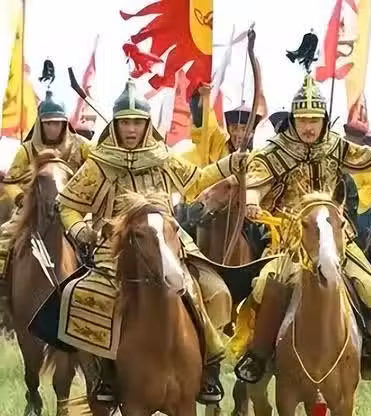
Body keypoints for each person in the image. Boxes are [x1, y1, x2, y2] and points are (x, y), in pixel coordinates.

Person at [56, 78, 247, 404]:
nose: (131, 129)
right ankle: (104, 371)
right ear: (116, 125)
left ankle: (208, 365)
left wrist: (230, 164)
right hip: (115, 245)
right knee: (87, 294)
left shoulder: (162, 156)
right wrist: (80, 231)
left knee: (214, 291)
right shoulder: (99, 163)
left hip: (168, 239)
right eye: (125, 122)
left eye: (137, 122)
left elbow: (197, 180)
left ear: (147, 125)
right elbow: (68, 205)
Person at [232, 71, 371, 387]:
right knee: (265, 286)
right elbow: (255, 181)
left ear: (324, 120)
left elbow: (370, 159)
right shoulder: (274, 151)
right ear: (293, 120)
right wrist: (251, 201)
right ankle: (259, 355)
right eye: (303, 119)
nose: (309, 126)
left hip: (336, 236)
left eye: (315, 120)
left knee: (370, 288)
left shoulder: (335, 145)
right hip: (291, 239)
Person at [0, 88, 92, 281]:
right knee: (5, 237)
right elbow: (11, 181)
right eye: (48, 123)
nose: (53, 128)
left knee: (97, 241)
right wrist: (21, 198)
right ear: (40, 123)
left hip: (76, 207)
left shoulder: (82, 145)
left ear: (64, 123)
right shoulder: (26, 150)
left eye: (57, 123)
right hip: (34, 207)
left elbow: (99, 165)